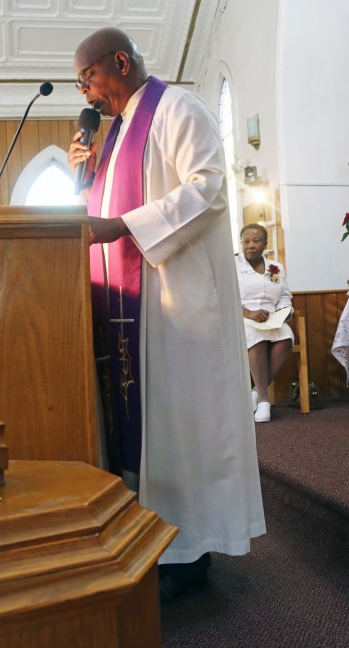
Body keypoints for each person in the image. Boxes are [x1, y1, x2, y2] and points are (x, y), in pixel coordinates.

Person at [67, 27, 266, 602]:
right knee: (152, 436)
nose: (86, 95)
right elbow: (104, 213)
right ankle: (161, 544)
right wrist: (90, 176)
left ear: (120, 62)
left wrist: (124, 224)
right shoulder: (123, 131)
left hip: (176, 307)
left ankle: (189, 554)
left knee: (180, 432)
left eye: (88, 79)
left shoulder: (176, 108)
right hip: (137, 313)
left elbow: (208, 186)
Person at [236, 224, 294, 423]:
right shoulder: (234, 266)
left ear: (265, 244)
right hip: (243, 318)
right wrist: (249, 313)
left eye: (256, 241)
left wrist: (283, 312)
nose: (250, 245)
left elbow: (284, 296)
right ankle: (263, 401)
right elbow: (227, 297)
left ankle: (253, 392)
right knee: (256, 337)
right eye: (246, 241)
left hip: (272, 318)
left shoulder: (274, 268)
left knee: (286, 338)